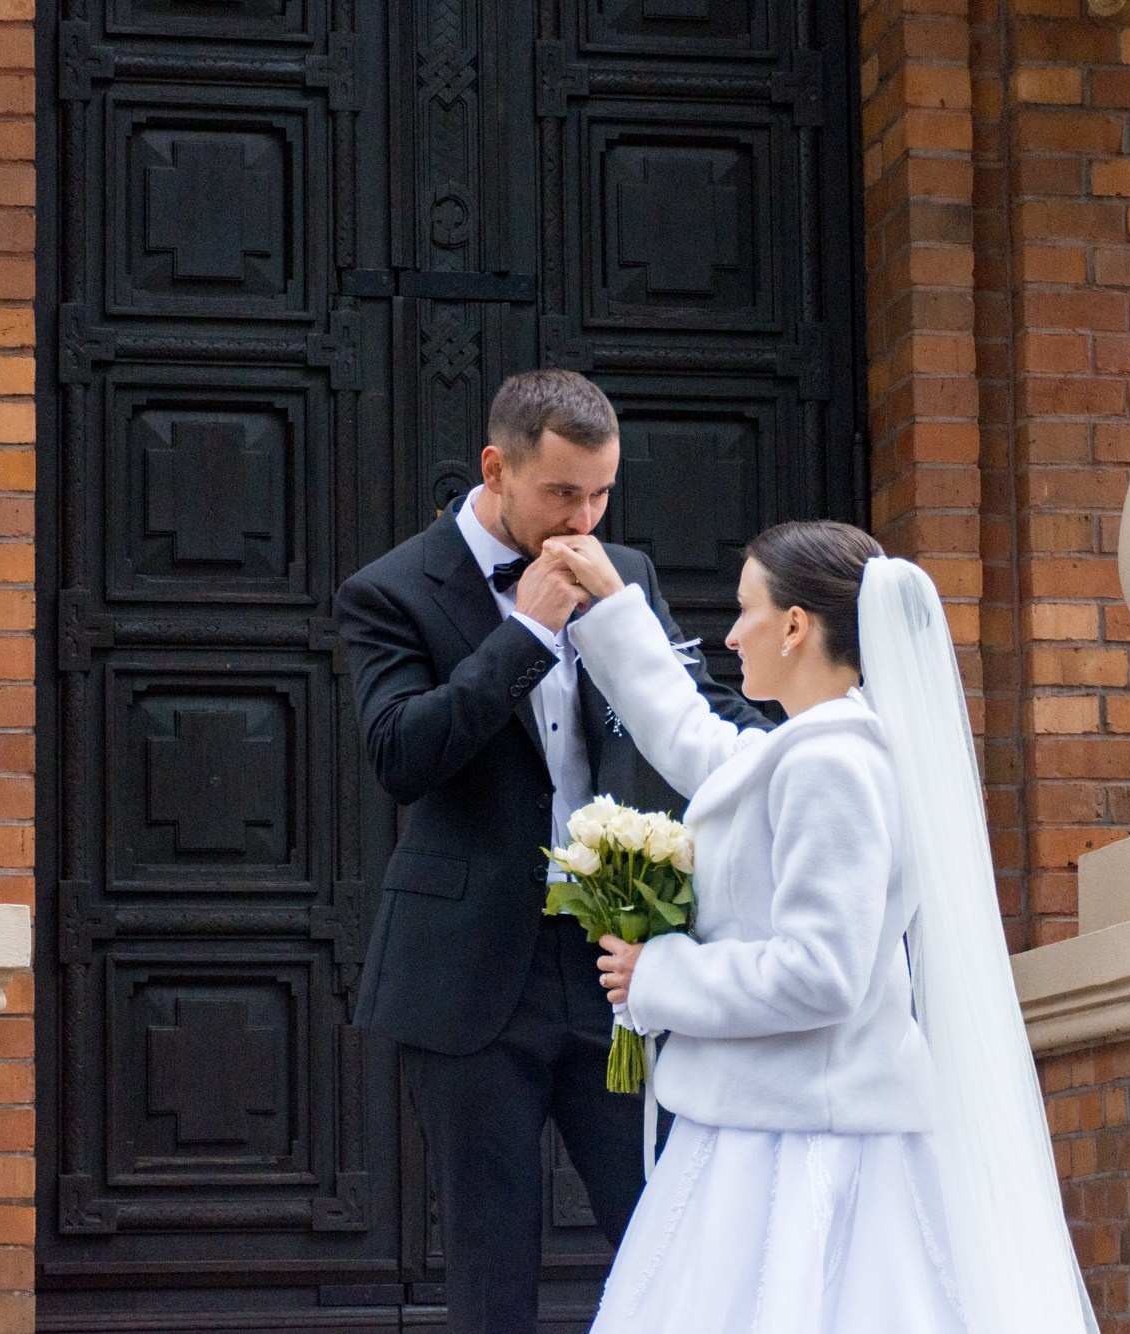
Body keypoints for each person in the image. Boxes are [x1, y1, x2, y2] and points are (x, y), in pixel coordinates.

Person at [547, 521, 1098, 1334]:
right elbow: (692, 736)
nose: (731, 635)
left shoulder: (830, 764)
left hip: (802, 1150)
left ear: (796, 625)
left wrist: (657, 976)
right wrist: (613, 607)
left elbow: (821, 973)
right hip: (774, 1120)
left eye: (746, 610)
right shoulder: (813, 749)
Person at [331, 369, 766, 1334]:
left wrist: (808, 752)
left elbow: (694, 709)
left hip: (618, 962)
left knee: (672, 1236)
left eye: (602, 493)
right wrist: (526, 629)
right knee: (491, 1274)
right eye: (563, 492)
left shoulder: (628, 569)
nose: (585, 518)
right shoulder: (390, 589)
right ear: (496, 469)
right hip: (469, 975)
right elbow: (401, 753)